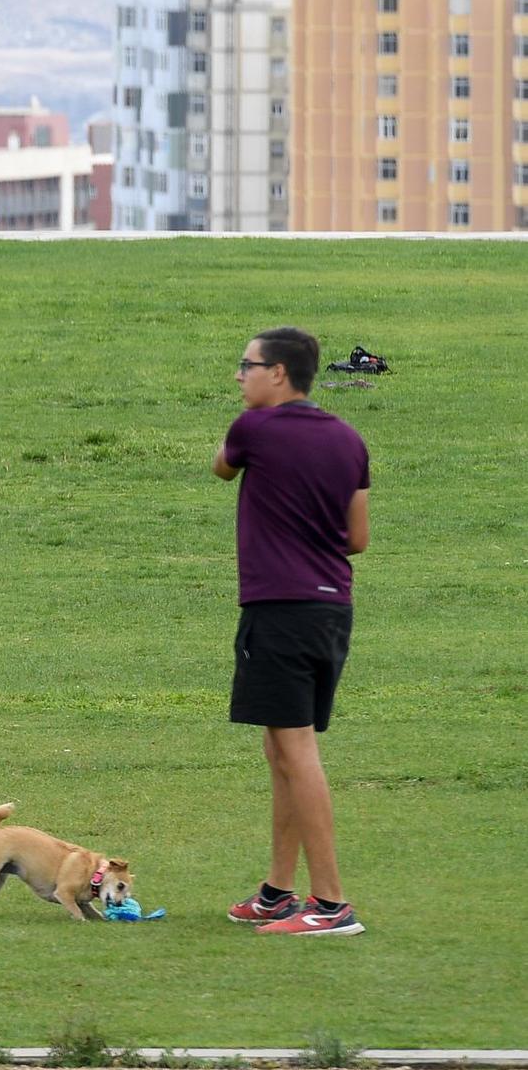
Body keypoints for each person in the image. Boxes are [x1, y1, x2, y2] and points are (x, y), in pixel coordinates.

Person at [213, 326, 369, 937]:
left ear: (279, 373)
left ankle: (331, 905)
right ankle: (279, 891)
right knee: (280, 747)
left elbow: (222, 470)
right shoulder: (349, 439)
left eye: (247, 365)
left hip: (280, 608)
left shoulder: (253, 429)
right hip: (332, 610)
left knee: (297, 752)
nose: (239, 376)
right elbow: (357, 538)